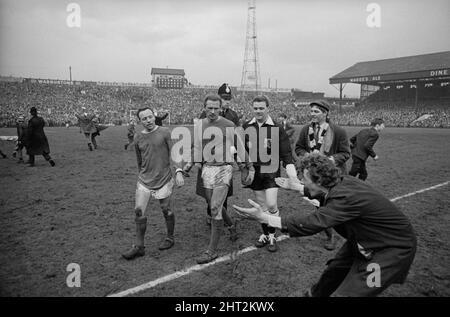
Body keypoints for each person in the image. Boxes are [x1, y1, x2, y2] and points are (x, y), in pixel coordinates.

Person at [234, 153, 417, 297]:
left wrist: (265, 218)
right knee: (334, 271)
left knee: (351, 293)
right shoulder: (341, 182)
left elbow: (313, 223)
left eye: (304, 180)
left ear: (319, 180)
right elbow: (321, 192)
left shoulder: (345, 198)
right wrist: (298, 187)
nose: (302, 182)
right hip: (363, 239)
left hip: (389, 249)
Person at [183, 94, 253, 264]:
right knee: (215, 206)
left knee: (214, 206)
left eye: (216, 108)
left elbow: (239, 146)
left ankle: (211, 251)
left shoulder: (229, 124)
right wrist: (188, 165)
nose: (213, 111)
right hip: (207, 168)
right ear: (204, 108)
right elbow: (197, 147)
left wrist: (248, 167)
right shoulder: (200, 125)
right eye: (209, 108)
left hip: (224, 168)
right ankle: (231, 225)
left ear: (221, 108)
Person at [122, 107, 185, 260]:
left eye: (150, 117)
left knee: (166, 210)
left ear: (154, 116)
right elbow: (139, 160)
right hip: (144, 180)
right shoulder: (138, 137)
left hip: (164, 179)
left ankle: (170, 238)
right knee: (138, 211)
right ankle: (139, 246)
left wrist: (178, 171)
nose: (148, 120)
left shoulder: (165, 132)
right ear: (140, 121)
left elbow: (176, 153)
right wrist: (142, 174)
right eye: (144, 119)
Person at [241, 95, 297, 253]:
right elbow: (243, 150)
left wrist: (291, 171)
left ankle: (272, 234)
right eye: (256, 108)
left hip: (272, 171)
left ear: (267, 108)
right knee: (262, 205)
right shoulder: (246, 126)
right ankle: (266, 234)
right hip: (255, 172)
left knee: (271, 204)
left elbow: (286, 153)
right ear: (252, 108)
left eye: (261, 108)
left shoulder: (277, 128)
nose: (258, 111)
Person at [295, 100, 350, 250]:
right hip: (315, 177)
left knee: (337, 206)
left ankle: (343, 233)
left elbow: (345, 153)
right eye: (311, 111)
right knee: (320, 206)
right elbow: (298, 148)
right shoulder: (306, 129)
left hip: (334, 176)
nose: (312, 114)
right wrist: (308, 156)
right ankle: (330, 235)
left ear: (325, 113)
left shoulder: (338, 131)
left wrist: (329, 160)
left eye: (316, 112)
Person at [196, 83, 238, 225]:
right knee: (208, 192)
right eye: (223, 98)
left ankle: (222, 216)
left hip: (224, 162)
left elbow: (236, 139)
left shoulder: (233, 116)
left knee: (223, 193)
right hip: (207, 161)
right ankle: (211, 213)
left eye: (228, 98)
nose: (227, 101)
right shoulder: (205, 115)